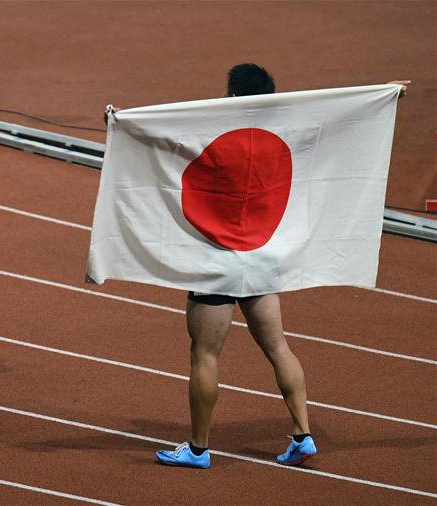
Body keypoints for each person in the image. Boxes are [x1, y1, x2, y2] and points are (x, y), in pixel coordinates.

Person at [152, 64, 410, 469]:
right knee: (277, 347)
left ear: (235, 96)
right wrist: (384, 95)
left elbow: (166, 144)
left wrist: (120, 123)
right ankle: (302, 434)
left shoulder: (215, 140)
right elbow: (334, 124)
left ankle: (199, 449)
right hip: (262, 260)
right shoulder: (283, 143)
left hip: (218, 261)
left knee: (204, 355)